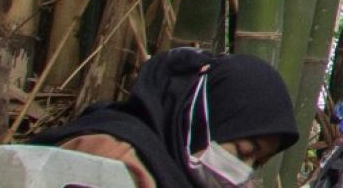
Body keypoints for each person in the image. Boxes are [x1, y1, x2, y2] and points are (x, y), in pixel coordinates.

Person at [35, 49, 297, 188]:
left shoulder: (172, 171)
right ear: (199, 121)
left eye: (256, 164)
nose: (242, 172)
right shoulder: (112, 156)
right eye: (242, 152)